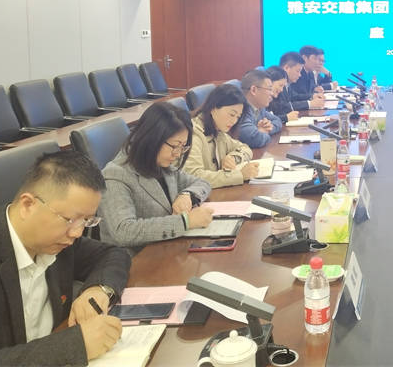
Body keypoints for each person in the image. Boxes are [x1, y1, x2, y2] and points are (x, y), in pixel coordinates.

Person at [0, 150, 131, 365]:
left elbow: (113, 254)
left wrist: (98, 290)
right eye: (70, 219)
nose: (77, 233)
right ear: (27, 205)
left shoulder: (60, 239)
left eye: (87, 221)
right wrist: (74, 345)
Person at [99, 102, 213, 253]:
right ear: (152, 138)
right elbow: (123, 230)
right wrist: (185, 222)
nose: (178, 154)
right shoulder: (115, 174)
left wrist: (187, 195)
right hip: (136, 259)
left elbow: (203, 183)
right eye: (175, 146)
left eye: (183, 146)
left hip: (167, 249)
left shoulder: (161, 164)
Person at [183, 84, 259, 187]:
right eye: (232, 114)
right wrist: (239, 175)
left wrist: (233, 158)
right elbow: (194, 176)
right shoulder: (193, 135)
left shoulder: (219, 130)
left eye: (238, 117)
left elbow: (245, 148)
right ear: (213, 108)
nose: (234, 121)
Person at [235, 69, 283, 148]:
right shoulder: (241, 110)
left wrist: (266, 129)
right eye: (269, 89)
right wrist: (261, 132)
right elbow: (256, 139)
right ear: (254, 90)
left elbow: (278, 121)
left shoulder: (259, 108)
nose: (271, 93)